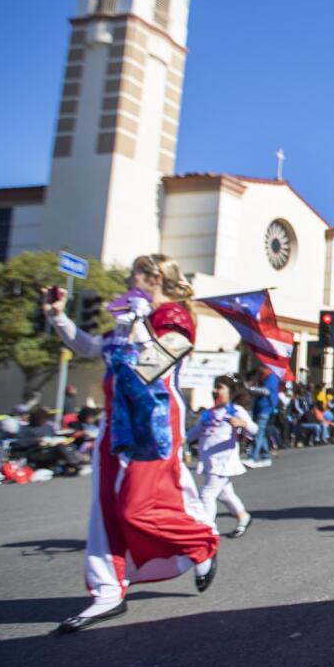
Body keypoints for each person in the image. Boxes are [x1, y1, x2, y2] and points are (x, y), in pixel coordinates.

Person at [43, 254, 219, 632]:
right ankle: (107, 590)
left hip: (152, 423)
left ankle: (201, 542)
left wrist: (139, 323)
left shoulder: (174, 316)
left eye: (134, 273)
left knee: (138, 509)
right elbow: (91, 348)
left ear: (154, 277)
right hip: (114, 423)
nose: (126, 279)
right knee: (106, 508)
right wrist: (58, 316)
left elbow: (153, 365)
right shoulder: (127, 319)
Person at [188, 375, 256, 538]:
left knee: (207, 494)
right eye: (215, 387)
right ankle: (243, 516)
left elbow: (254, 429)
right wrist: (180, 439)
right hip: (209, 460)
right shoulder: (208, 414)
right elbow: (194, 432)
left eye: (220, 387)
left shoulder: (236, 410)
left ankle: (207, 530)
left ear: (230, 391)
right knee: (225, 494)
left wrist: (242, 424)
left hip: (223, 461)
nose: (215, 390)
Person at [246, 366, 281, 467]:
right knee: (261, 433)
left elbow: (266, 391)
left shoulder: (271, 378)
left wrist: (250, 389)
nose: (260, 371)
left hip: (265, 409)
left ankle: (252, 457)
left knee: (258, 433)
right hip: (259, 408)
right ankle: (265, 456)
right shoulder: (265, 378)